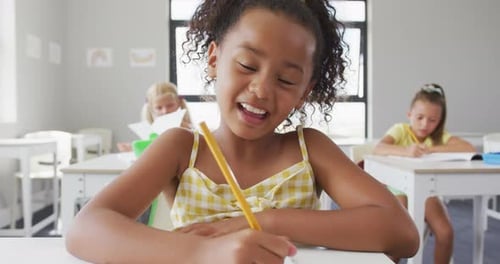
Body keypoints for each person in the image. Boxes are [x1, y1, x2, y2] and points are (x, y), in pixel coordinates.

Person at [66, 1, 419, 263]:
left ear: (305, 92)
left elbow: (402, 235)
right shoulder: (180, 147)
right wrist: (204, 252)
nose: (262, 89)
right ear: (215, 59)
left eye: (286, 80)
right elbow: (85, 229)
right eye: (247, 65)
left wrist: (267, 222)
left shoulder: (309, 149)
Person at [372, 83, 476, 264]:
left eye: (432, 120)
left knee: (445, 232)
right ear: (409, 115)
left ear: (440, 120)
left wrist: (431, 149)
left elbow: (468, 148)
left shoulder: (437, 137)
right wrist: (406, 151)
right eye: (419, 117)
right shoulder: (400, 130)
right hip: (397, 189)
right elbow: (379, 148)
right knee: (398, 235)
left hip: (424, 190)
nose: (425, 124)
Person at [116, 81, 193, 152]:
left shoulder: (188, 129)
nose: (165, 111)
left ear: (179, 103)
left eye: (170, 105)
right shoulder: (151, 132)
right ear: (151, 109)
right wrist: (133, 147)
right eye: (159, 108)